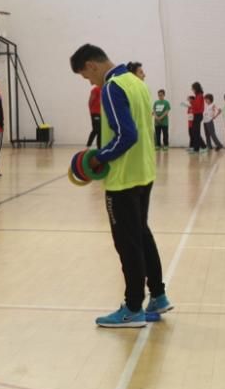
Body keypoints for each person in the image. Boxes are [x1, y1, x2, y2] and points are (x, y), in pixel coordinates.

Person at [70, 43, 171, 328]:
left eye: (86, 76)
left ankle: (133, 308)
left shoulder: (111, 87)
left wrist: (99, 157)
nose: (89, 81)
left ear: (92, 65)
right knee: (141, 235)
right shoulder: (136, 82)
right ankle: (158, 296)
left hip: (123, 178)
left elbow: (127, 135)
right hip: (145, 172)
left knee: (127, 244)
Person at [188, 82, 205, 153]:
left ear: (196, 88)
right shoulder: (198, 96)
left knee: (196, 132)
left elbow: (197, 106)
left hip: (198, 115)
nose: (192, 90)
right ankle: (200, 147)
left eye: (193, 88)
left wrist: (191, 102)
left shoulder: (199, 96)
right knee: (195, 132)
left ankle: (197, 148)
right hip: (196, 115)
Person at [86, 84, 102, 148]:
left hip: (101, 113)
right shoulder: (95, 89)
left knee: (100, 130)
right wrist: (91, 111)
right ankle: (88, 145)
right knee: (96, 129)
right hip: (95, 112)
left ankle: (99, 146)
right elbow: (90, 101)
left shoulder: (104, 89)